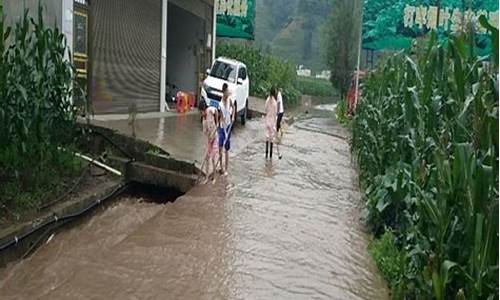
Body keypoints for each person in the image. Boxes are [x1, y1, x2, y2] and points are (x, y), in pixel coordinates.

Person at [218, 83, 235, 176]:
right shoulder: (220, 104)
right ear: (224, 92)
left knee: (226, 148)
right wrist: (222, 119)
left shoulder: (229, 100)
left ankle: (226, 168)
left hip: (228, 125)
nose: (228, 93)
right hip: (222, 127)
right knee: (220, 147)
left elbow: (233, 107)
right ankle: (221, 166)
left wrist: (233, 116)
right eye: (227, 91)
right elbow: (220, 117)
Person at [200, 100, 219, 184]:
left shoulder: (210, 110)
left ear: (204, 109)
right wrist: (209, 140)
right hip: (209, 140)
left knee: (213, 159)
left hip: (215, 137)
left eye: (202, 111)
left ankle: (214, 177)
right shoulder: (203, 121)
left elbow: (217, 111)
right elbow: (205, 133)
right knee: (207, 158)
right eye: (200, 112)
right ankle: (207, 177)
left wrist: (217, 123)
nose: (201, 113)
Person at [265, 87, 281, 159]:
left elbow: (265, 109)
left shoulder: (268, 99)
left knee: (267, 137)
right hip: (272, 122)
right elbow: (276, 113)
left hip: (267, 120)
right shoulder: (275, 103)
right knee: (271, 139)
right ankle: (270, 157)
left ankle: (266, 155)